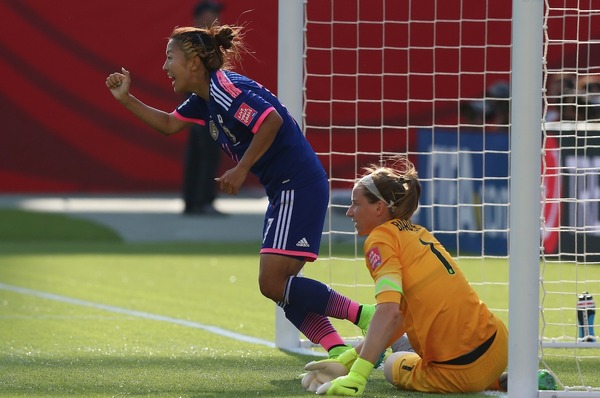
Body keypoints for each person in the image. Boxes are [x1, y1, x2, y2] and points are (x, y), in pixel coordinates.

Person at [105, 24, 374, 358]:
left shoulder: (223, 88)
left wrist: (241, 168)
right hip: (284, 190)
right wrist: (126, 99)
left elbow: (270, 120)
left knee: (272, 283)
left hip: (297, 184)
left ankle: (366, 317)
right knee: (281, 289)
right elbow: (169, 125)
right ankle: (338, 352)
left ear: (193, 63)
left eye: (169, 57)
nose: (164, 67)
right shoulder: (203, 100)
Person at [302, 156, 508, 395]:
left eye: (356, 204)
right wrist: (346, 361)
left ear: (379, 208)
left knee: (394, 363)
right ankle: (500, 379)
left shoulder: (379, 239)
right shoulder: (418, 232)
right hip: (499, 345)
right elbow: (399, 316)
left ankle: (488, 380)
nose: (349, 212)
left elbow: (389, 312)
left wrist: (357, 374)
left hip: (460, 370)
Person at [182, 1, 224, 216]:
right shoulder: (194, 42)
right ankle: (201, 202)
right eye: (210, 15)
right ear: (198, 18)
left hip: (203, 103)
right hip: (203, 103)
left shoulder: (203, 42)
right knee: (207, 153)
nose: (215, 20)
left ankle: (193, 201)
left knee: (199, 154)